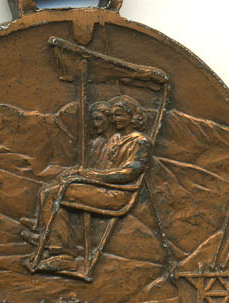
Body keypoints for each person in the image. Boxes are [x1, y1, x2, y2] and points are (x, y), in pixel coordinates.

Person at [22, 95, 151, 273]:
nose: (114, 119)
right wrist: (79, 172)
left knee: (55, 193)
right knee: (49, 190)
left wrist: (92, 176)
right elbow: (100, 168)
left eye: (119, 115)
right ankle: (49, 236)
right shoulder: (116, 139)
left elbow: (129, 173)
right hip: (102, 188)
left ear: (133, 117)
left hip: (116, 194)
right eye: (113, 115)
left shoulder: (140, 141)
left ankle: (65, 255)